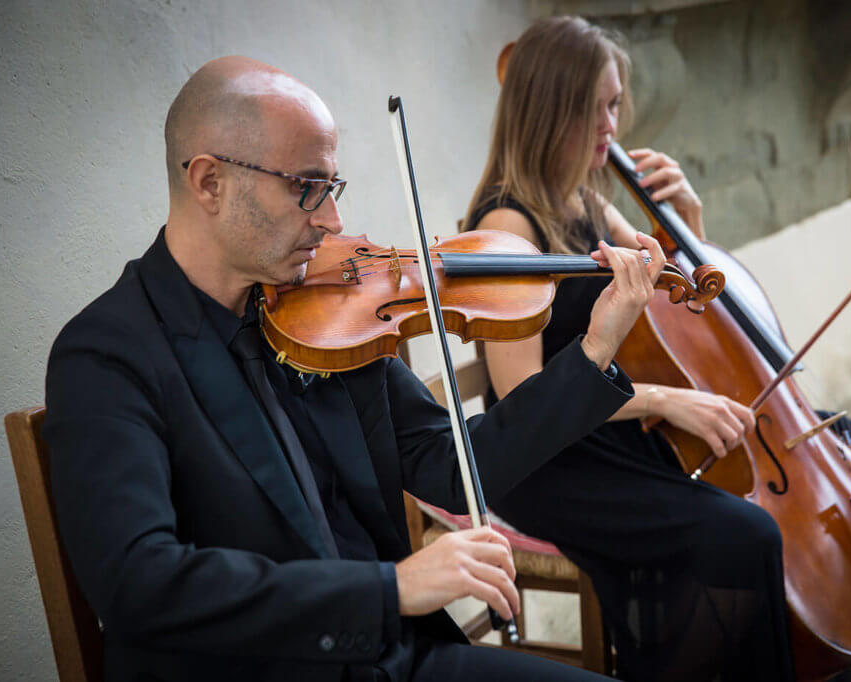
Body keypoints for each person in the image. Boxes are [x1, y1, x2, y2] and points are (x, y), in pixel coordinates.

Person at [42, 56, 668, 682]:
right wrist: (388, 589)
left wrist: (593, 351)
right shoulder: (107, 354)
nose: (333, 221)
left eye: (332, 187)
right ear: (209, 183)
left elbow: (455, 468)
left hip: (394, 658)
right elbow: (139, 584)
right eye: (306, 187)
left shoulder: (325, 309)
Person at [463, 17, 796, 681]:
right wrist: (666, 400)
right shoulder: (506, 226)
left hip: (608, 432)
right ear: (552, 111)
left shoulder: (581, 199)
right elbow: (525, 401)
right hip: (548, 460)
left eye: (615, 106)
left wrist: (688, 228)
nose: (612, 126)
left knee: (753, 503)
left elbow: (679, 313)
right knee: (744, 535)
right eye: (596, 110)